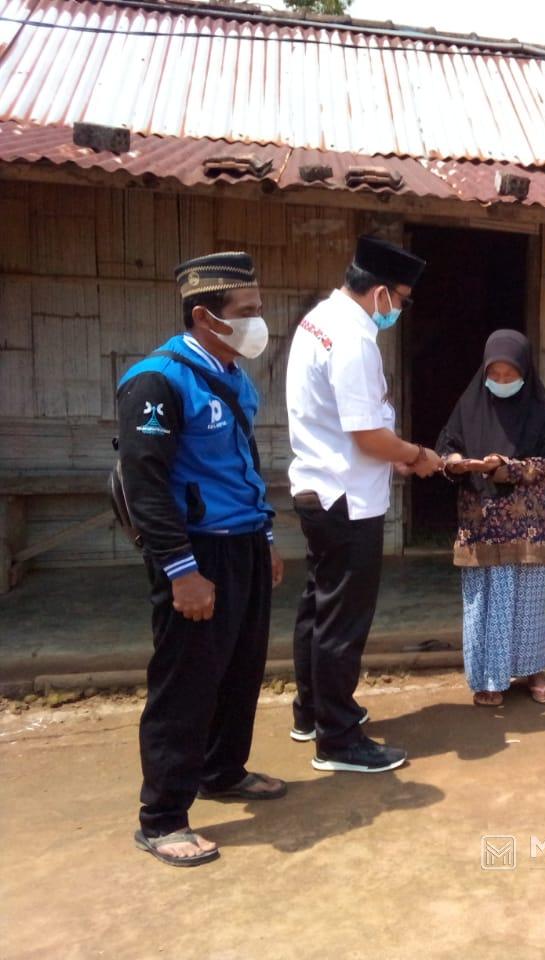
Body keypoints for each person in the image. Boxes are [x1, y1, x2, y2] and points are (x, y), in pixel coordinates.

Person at [118, 252, 286, 867]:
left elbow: (242, 465)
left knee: (241, 669)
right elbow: (146, 486)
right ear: (204, 316)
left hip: (242, 542)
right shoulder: (158, 382)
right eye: (247, 312)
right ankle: (162, 817)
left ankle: (223, 771)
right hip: (195, 552)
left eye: (258, 310)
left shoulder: (236, 374)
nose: (258, 322)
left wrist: (264, 538)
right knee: (185, 684)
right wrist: (181, 570)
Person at [286, 235, 441, 773]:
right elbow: (368, 437)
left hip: (318, 487)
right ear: (378, 292)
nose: (399, 309)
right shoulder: (353, 339)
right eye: (399, 299)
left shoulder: (318, 321)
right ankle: (339, 739)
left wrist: (394, 452)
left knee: (319, 607)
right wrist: (417, 454)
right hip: (347, 498)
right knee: (343, 621)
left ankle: (312, 712)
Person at [438, 330, 545, 707]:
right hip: (479, 521)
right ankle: (489, 678)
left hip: (524, 522)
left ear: (525, 371)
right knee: (484, 600)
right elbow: (446, 448)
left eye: (510, 375)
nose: (502, 382)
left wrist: (506, 467)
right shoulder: (469, 404)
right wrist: (457, 463)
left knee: (528, 598)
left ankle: (534, 672)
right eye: (494, 375)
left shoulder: (540, 408)